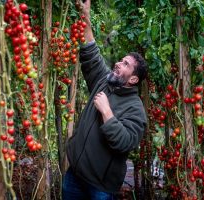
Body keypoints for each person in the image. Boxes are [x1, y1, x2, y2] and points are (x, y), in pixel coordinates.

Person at [62, 0, 148, 199]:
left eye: (125, 64)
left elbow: (125, 142)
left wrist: (106, 111)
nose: (118, 63)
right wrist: (85, 15)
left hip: (99, 187)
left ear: (133, 79)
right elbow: (91, 52)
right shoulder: (104, 80)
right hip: (74, 174)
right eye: (121, 60)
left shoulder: (136, 109)